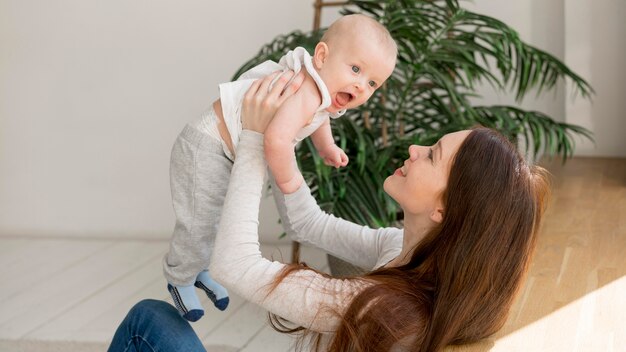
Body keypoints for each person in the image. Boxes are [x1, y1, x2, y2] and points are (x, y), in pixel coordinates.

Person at [110, 70, 550, 351]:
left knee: (149, 320)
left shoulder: (383, 306)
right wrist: (282, 139)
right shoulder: (408, 255)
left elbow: (233, 265)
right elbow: (309, 222)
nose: (415, 149)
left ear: (445, 210)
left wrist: (252, 136)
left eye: (432, 155)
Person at [162, 14, 398, 322]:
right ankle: (179, 278)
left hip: (226, 151)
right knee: (198, 221)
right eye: (355, 69)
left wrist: (325, 146)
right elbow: (276, 140)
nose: (360, 85)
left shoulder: (322, 91)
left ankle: (200, 270)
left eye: (371, 83)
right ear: (323, 56)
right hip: (205, 145)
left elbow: (319, 117)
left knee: (214, 217)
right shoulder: (309, 90)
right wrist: (288, 181)